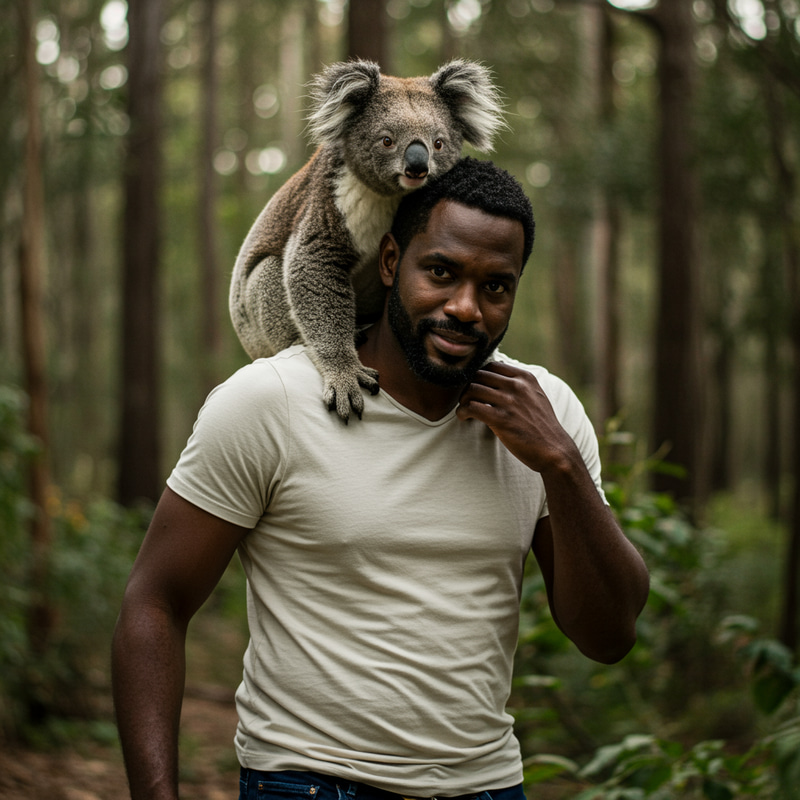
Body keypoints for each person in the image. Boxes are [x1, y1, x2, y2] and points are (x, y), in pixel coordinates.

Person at [112, 157, 649, 800]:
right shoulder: (273, 400)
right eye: (441, 272)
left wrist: (560, 465)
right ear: (391, 262)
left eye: (496, 286)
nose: (465, 307)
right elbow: (154, 602)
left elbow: (609, 634)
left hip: (487, 785)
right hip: (309, 783)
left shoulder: (546, 413)